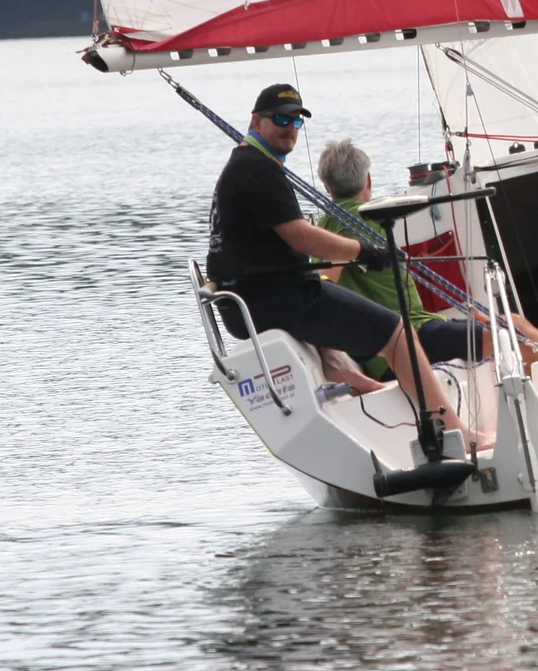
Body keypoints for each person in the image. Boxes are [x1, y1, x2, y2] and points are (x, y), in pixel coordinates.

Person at [205, 83, 486, 449]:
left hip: (252, 300)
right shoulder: (257, 169)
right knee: (399, 333)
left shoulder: (245, 164)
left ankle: (360, 383)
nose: (289, 128)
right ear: (256, 121)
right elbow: (301, 237)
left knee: (337, 316)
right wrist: (364, 251)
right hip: (275, 300)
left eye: (295, 121)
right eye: (279, 119)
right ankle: (458, 435)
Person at [313, 138, 538, 404]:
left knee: (511, 324)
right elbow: (326, 287)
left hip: (416, 331)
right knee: (506, 338)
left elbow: (326, 288)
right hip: (405, 342)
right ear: (369, 182)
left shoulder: (340, 224)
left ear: (327, 188)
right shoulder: (343, 224)